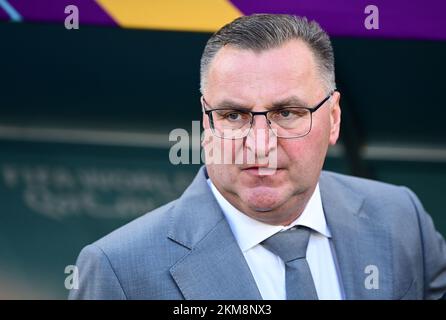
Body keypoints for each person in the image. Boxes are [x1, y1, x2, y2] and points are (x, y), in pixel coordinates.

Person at [69, 14, 446, 300]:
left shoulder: (401, 218)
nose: (260, 144)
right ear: (207, 121)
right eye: (234, 116)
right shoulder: (118, 271)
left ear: (333, 120)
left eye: (287, 113)